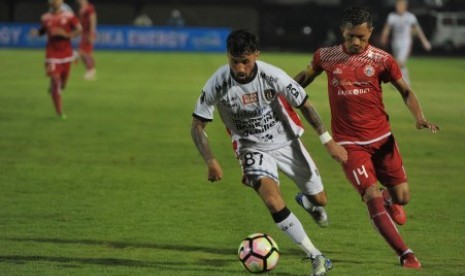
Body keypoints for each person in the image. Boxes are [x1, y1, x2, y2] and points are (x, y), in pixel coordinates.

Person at [191, 29, 347, 276]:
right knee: (272, 200)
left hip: (286, 141)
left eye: (246, 61)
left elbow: (304, 103)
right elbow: (197, 125)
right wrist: (210, 160)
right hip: (249, 147)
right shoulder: (217, 83)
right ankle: (316, 256)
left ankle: (307, 201)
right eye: (234, 61)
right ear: (227, 56)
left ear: (256, 55)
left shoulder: (272, 75)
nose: (240, 69)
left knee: (320, 200)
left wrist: (327, 140)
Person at [294, 6, 439, 269]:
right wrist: (282, 92)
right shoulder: (326, 56)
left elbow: (405, 91)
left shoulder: (382, 60)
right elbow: (303, 78)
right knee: (370, 194)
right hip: (348, 144)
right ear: (343, 32)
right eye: (350, 36)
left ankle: (388, 199)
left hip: (383, 140)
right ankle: (405, 253)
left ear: (370, 32)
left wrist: (419, 117)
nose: (355, 42)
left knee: (402, 198)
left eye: (361, 36)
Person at [30, 0, 82, 119]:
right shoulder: (45, 17)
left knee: (62, 84)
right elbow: (42, 31)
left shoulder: (69, 16)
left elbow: (79, 29)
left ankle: (55, 87)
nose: (54, 1)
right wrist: (37, 32)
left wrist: (66, 35)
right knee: (56, 80)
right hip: (52, 55)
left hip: (66, 54)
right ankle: (60, 112)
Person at [380, 0, 432, 85]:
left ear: (405, 7)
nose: (399, 8)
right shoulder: (392, 16)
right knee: (399, 62)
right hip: (395, 42)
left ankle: (396, 81)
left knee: (400, 62)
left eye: (401, 6)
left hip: (406, 42)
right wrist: (383, 37)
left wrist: (424, 41)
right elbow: (387, 28)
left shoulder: (410, 17)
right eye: (397, 6)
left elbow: (418, 30)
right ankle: (405, 81)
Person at [76, 0, 97, 80]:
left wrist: (91, 33)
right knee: (85, 52)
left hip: (88, 33)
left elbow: (93, 19)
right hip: (84, 33)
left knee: (82, 52)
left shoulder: (89, 8)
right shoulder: (81, 8)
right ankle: (90, 70)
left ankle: (90, 70)